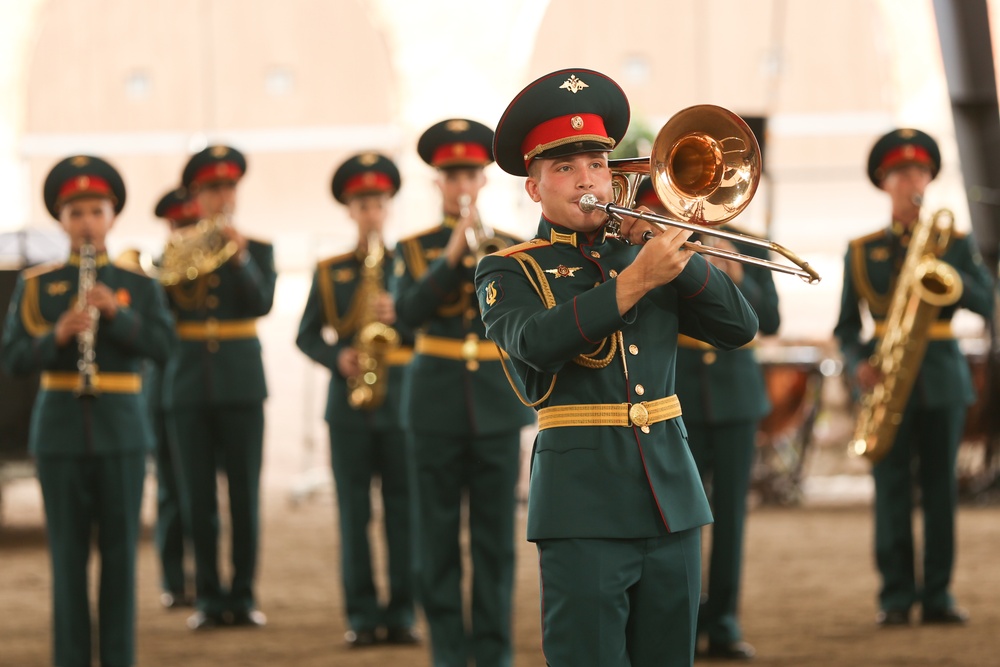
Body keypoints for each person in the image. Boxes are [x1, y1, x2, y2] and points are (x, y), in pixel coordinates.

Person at [475, 68, 759, 667]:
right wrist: (637, 279)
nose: (589, 180)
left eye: (598, 164)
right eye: (566, 168)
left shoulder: (644, 250)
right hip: (582, 507)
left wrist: (679, 255)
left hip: (671, 498)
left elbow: (740, 328)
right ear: (535, 189)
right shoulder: (508, 269)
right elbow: (535, 342)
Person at [1, 155, 176, 667]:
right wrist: (55, 336)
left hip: (121, 432)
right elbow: (11, 358)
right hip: (58, 435)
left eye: (96, 212)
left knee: (121, 560)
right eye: (75, 213)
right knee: (68, 561)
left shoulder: (138, 283)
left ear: (113, 217)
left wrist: (118, 316)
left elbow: (165, 349)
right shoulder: (38, 285)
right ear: (61, 220)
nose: (86, 223)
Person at [835, 128, 994, 628]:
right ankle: (897, 596)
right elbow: (845, 327)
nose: (913, 181)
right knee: (892, 488)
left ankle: (939, 595)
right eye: (902, 173)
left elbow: (987, 303)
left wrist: (947, 266)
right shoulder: (861, 250)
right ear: (885, 182)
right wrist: (856, 359)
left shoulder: (955, 243)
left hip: (943, 377)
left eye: (921, 172)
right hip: (885, 376)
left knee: (941, 488)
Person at [393, 118, 535, 667]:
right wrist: (449, 257)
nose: (461, 185)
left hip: (497, 409)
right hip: (433, 407)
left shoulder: (513, 249)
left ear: (484, 181)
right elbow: (407, 316)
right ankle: (449, 653)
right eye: (451, 176)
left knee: (496, 541)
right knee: (437, 538)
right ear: (437, 184)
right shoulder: (411, 250)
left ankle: (494, 652)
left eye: (471, 174)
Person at [634, 177, 778, 660]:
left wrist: (733, 276)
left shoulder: (745, 243)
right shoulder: (659, 238)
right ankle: (683, 621)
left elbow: (771, 320)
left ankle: (724, 622)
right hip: (682, 393)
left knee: (732, 516)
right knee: (677, 519)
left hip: (736, 398)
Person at [296, 152, 419, 647]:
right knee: (353, 514)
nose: (370, 212)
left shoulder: (410, 265)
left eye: (378, 203)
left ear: (388, 207)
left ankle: (403, 614)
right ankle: (362, 616)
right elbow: (306, 335)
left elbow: (427, 328)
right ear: (350, 210)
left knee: (403, 511)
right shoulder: (329, 271)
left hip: (401, 405)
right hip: (347, 406)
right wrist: (335, 357)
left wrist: (402, 314)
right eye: (361, 204)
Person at [162, 145, 277, 630]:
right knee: (197, 499)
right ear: (197, 196)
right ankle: (208, 598)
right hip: (188, 385)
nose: (221, 196)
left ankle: (243, 595)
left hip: (241, 384)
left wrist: (241, 256)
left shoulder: (260, 249)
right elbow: (165, 314)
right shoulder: (175, 251)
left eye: (227, 187)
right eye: (212, 190)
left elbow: (262, 302)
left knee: (244, 497)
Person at [149, 186, 201, 610]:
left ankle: (202, 574)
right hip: (162, 387)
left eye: (191, 224)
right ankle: (172, 577)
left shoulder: (208, 263)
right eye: (180, 225)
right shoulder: (159, 267)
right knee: (170, 484)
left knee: (199, 487)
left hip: (196, 385)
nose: (185, 231)